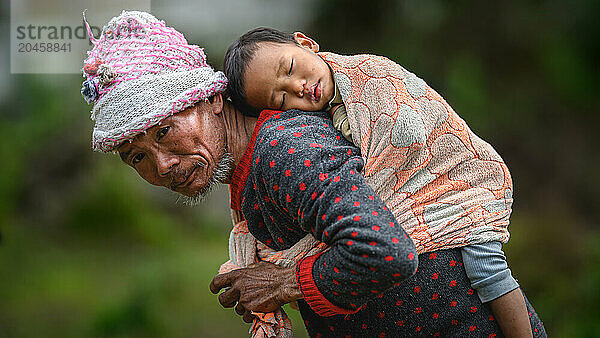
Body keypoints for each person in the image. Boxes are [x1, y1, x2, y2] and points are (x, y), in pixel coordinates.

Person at [81, 11, 546, 337]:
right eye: (135, 157)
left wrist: (283, 283)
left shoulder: (284, 149)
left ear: (210, 100)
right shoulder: (252, 170)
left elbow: (385, 251)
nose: (160, 165)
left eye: (164, 131)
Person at [223, 27, 534, 337]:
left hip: (464, 180)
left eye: (289, 68)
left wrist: (366, 196)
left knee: (486, 268)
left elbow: (408, 133)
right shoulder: (321, 120)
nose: (298, 87)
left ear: (305, 43)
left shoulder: (370, 75)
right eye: (281, 98)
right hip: (420, 198)